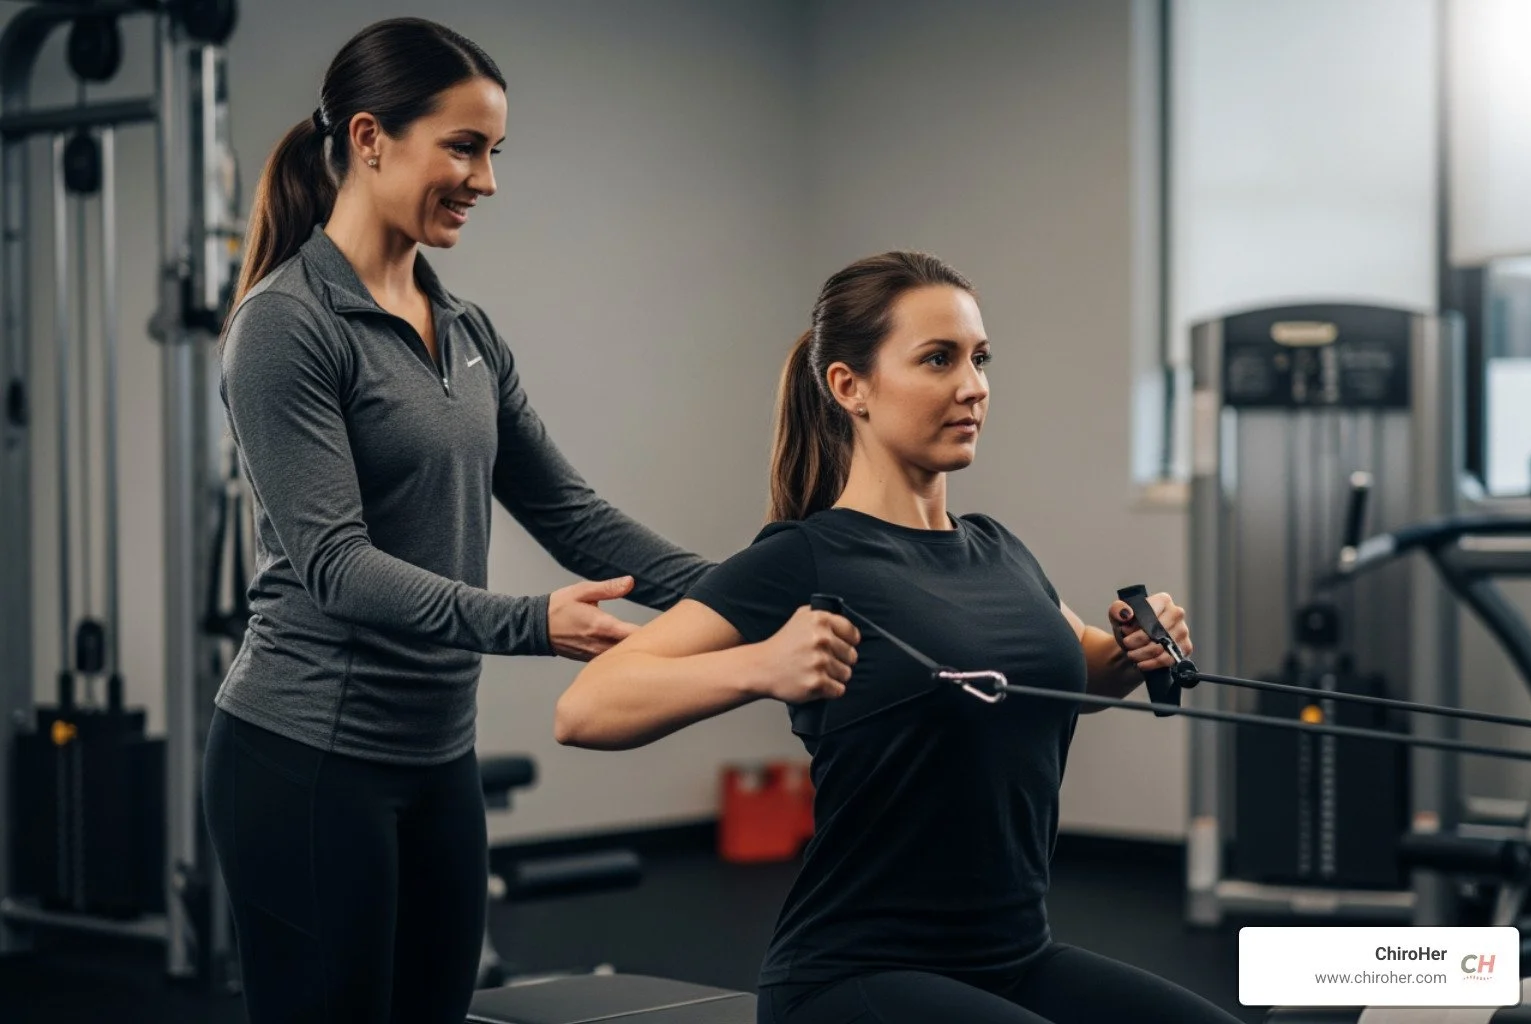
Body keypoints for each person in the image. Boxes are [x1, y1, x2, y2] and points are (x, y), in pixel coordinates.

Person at [554, 251, 1243, 1024]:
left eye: (979, 360)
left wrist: (1133, 651)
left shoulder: (999, 548)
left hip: (1014, 959)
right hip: (854, 976)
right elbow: (585, 709)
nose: (972, 386)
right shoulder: (804, 556)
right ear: (850, 387)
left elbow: (1077, 679)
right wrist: (760, 665)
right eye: (938, 359)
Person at [201, 17, 714, 1024]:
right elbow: (337, 565)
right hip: (307, 760)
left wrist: (758, 588)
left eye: (495, 152)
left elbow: (572, 512)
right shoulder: (285, 326)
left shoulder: (468, 330)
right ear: (368, 138)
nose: (487, 180)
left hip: (438, 757)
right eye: (466, 147)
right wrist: (534, 622)